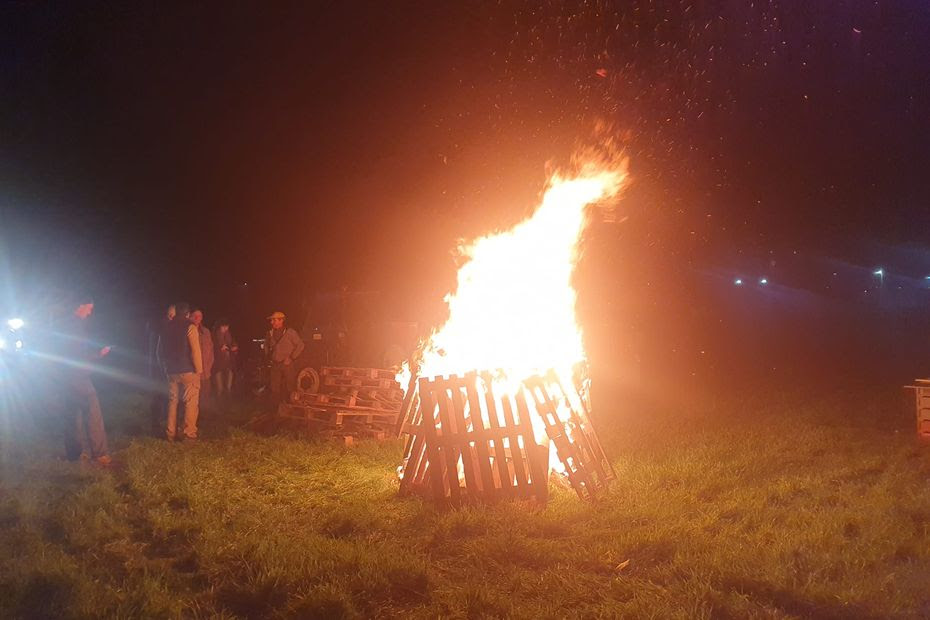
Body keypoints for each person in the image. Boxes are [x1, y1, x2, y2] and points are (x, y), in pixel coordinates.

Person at [58, 294, 112, 466]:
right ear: (81, 305)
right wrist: (98, 355)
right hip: (78, 375)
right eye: (89, 309)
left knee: (72, 415)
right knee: (93, 412)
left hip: (65, 375)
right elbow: (78, 355)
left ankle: (74, 454)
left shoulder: (64, 323)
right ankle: (100, 455)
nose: (89, 313)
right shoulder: (75, 326)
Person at [157, 302, 203, 441]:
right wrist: (199, 369)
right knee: (190, 401)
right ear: (188, 314)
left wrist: (164, 368)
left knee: (173, 401)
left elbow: (159, 351)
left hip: (171, 371)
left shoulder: (165, 328)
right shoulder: (190, 327)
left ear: (176, 313)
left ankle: (170, 433)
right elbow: (195, 351)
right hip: (188, 370)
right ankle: (188, 433)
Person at [265, 311, 304, 407]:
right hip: (275, 364)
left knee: (290, 387)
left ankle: (293, 407)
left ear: (281, 320)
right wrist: (268, 357)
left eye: (274, 320)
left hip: (287, 364)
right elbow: (266, 346)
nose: (272, 322)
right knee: (274, 388)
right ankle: (276, 409)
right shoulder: (269, 333)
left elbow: (301, 345)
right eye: (271, 320)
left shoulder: (290, 332)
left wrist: (291, 358)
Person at [148, 303, 175, 435]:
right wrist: (164, 368)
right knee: (160, 396)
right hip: (160, 368)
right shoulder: (164, 328)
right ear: (170, 315)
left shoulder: (159, 327)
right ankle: (156, 424)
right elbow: (160, 351)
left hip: (156, 367)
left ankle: (158, 422)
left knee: (160, 396)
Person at [190, 308, 214, 408]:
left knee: (206, 394)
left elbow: (211, 349)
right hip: (193, 372)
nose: (197, 318)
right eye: (195, 315)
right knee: (193, 397)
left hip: (206, 371)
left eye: (199, 316)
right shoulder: (188, 331)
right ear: (190, 317)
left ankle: (205, 416)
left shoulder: (206, 332)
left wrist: (209, 365)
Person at [212, 317, 238, 402]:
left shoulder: (229, 335)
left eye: (227, 327)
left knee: (228, 386)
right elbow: (211, 349)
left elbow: (233, 345)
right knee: (219, 388)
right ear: (219, 327)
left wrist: (234, 348)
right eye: (223, 327)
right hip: (218, 365)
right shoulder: (214, 336)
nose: (225, 329)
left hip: (229, 364)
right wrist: (219, 348)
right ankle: (219, 404)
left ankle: (228, 404)